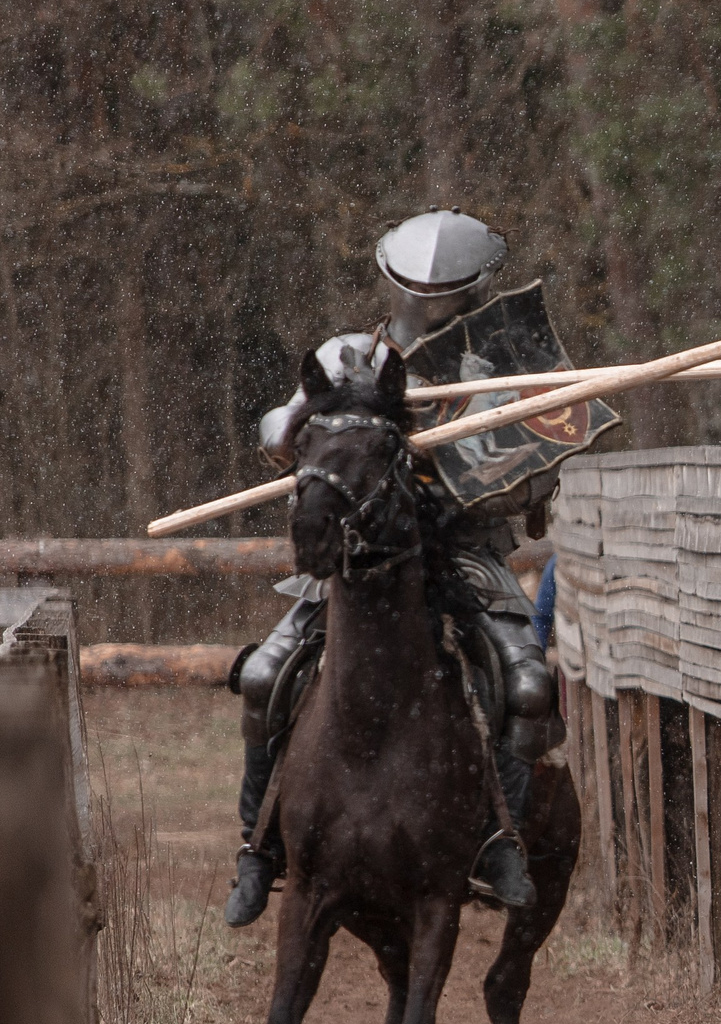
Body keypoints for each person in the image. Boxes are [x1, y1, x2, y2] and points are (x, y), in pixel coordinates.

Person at [227, 209, 590, 927]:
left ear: (477, 289)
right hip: (361, 555)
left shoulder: (507, 373)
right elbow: (281, 425)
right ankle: (257, 848)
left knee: (525, 684)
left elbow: (536, 478)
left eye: (444, 293)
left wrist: (469, 461)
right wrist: (315, 431)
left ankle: (499, 842)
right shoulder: (348, 359)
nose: (426, 304)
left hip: (462, 549)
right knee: (267, 674)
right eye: (415, 290)